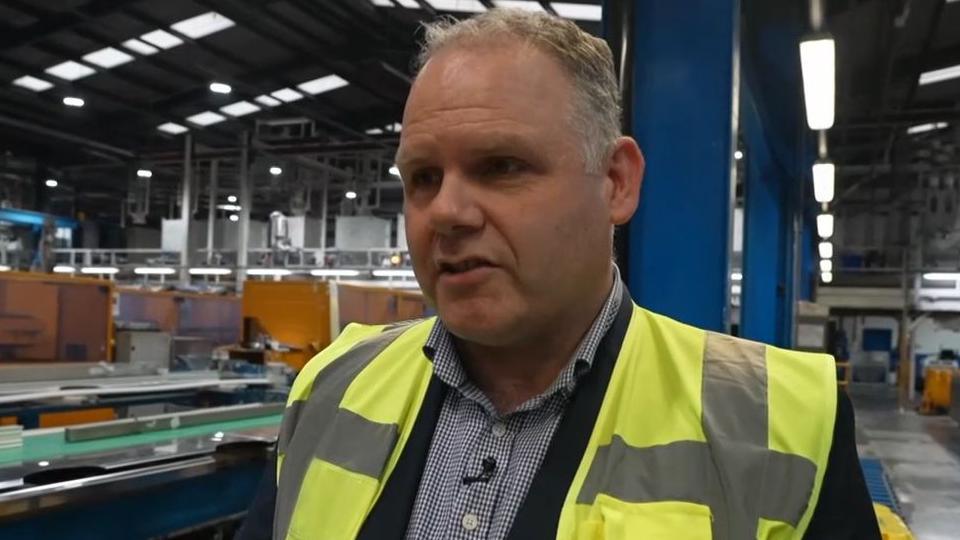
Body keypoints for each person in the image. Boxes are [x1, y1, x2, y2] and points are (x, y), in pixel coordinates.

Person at [238, 9, 880, 540]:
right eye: (423, 178)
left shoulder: (781, 423)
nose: (447, 213)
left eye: (501, 166)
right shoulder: (329, 390)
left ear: (616, 182)